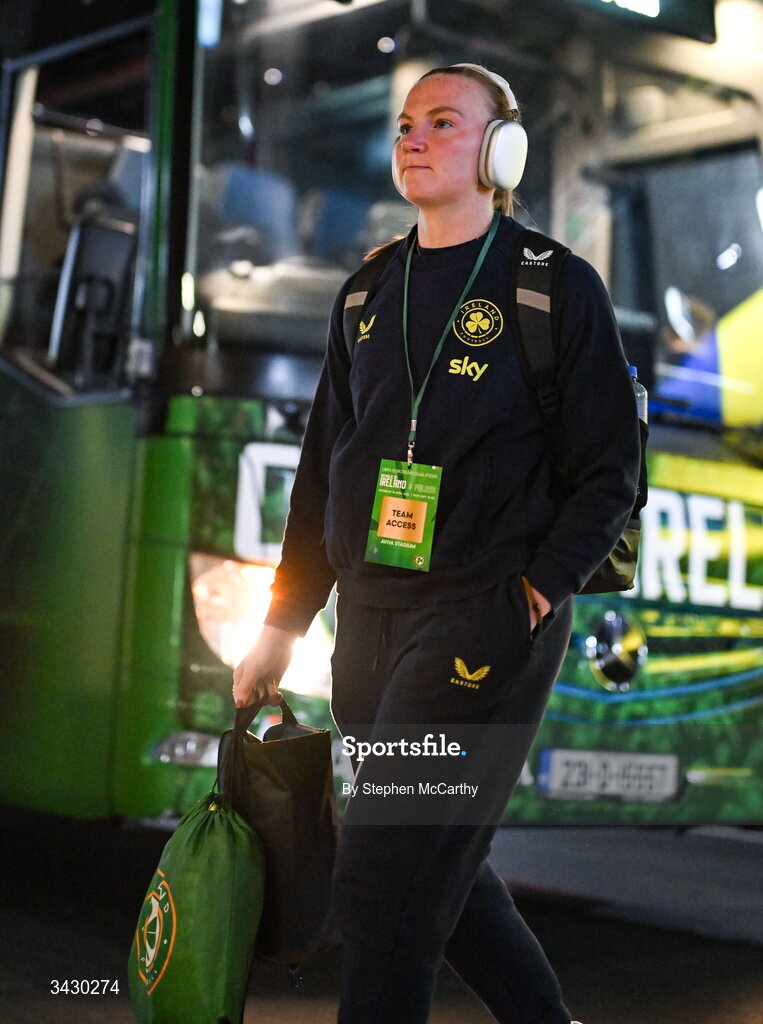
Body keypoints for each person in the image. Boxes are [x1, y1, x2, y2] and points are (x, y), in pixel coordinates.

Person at [233, 62, 640, 1024]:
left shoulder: (552, 288)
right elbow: (323, 472)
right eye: (407, 123)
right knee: (438, 879)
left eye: (443, 122)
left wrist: (531, 597)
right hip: (369, 631)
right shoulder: (367, 292)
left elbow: (607, 479)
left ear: (501, 151)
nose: (412, 138)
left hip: (479, 624)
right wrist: (283, 624)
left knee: (379, 883)